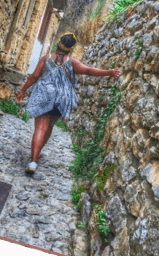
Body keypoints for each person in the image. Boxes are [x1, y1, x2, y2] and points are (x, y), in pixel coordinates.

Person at [16, 32, 121, 173]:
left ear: (58, 44)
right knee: (50, 125)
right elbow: (88, 71)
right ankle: (37, 153)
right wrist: (109, 72)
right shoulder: (73, 62)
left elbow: (34, 76)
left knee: (41, 127)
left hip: (45, 95)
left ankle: (34, 161)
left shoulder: (46, 59)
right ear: (71, 48)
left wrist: (23, 90)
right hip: (61, 99)